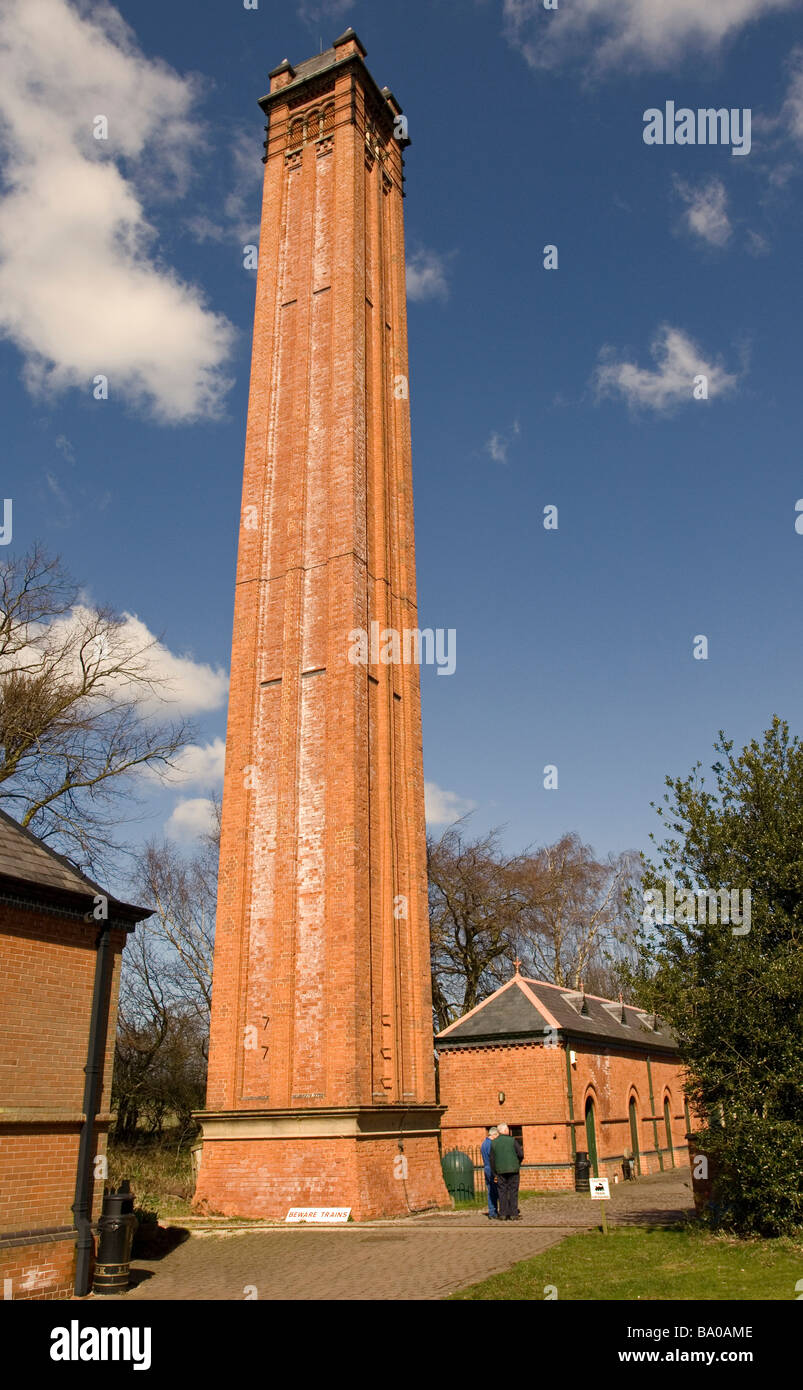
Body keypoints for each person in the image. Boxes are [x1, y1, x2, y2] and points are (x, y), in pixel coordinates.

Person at [490, 1122, 524, 1221]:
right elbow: (521, 1154)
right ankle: (513, 1213)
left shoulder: (494, 1143)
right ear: (505, 1130)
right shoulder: (512, 1140)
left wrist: (494, 1173)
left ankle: (503, 1213)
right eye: (507, 1129)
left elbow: (491, 1159)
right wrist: (517, 1163)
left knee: (502, 1192)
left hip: (500, 1171)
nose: (508, 1130)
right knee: (513, 1191)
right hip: (513, 1169)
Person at [480, 1126, 500, 1219]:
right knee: (495, 1190)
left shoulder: (484, 1143)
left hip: (486, 1168)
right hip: (491, 1168)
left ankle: (492, 1211)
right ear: (494, 1134)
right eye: (497, 1136)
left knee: (490, 1190)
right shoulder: (490, 1144)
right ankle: (493, 1211)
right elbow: (493, 1158)